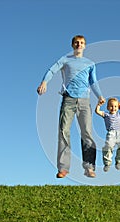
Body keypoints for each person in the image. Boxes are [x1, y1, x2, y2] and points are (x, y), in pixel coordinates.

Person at [37, 35, 105, 179]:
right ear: (72, 45)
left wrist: (100, 96)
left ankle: (89, 167)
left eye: (81, 43)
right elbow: (52, 70)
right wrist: (44, 82)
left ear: (85, 46)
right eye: (76, 43)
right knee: (63, 131)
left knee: (87, 132)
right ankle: (63, 168)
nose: (79, 45)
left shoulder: (90, 63)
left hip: (84, 101)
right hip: (68, 99)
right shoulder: (65, 60)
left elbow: (94, 82)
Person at [95, 97, 120, 172]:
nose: (113, 108)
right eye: (111, 106)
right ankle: (107, 163)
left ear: (117, 107)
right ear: (107, 107)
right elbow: (97, 111)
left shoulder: (119, 114)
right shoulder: (106, 114)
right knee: (108, 146)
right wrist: (99, 105)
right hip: (111, 133)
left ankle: (119, 161)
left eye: (115, 106)